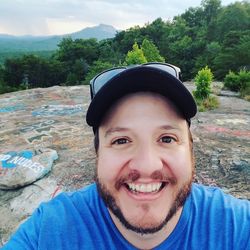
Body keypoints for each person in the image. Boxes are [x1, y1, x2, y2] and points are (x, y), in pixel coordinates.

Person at [3, 63, 250, 250]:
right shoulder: (48, 232)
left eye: (167, 139)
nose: (147, 165)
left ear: (190, 149)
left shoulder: (237, 227)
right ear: (97, 152)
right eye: (121, 140)